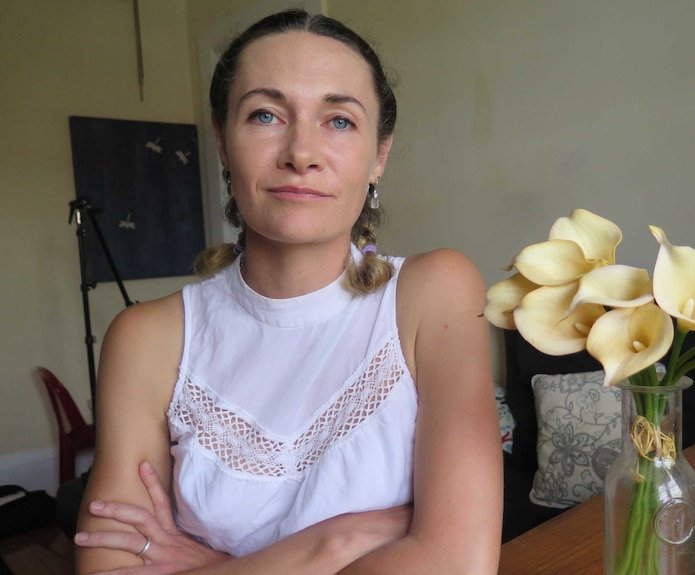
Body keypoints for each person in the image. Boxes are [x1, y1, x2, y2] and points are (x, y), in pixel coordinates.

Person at [74, 9, 503, 574]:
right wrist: (334, 544)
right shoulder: (146, 338)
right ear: (223, 145)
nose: (301, 153)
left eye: (340, 121)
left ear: (379, 156)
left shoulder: (434, 293)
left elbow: (457, 566)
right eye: (266, 114)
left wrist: (210, 566)